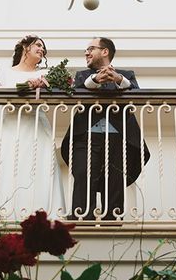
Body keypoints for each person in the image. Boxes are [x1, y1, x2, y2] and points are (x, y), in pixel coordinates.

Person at [61, 37, 150, 220]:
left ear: (105, 51)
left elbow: (137, 94)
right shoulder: (82, 75)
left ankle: (113, 220)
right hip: (85, 136)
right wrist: (94, 79)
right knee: (84, 175)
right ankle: (81, 219)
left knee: (116, 180)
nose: (86, 53)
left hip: (119, 137)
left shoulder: (127, 75)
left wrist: (118, 79)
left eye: (90, 49)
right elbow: (76, 91)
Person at [0, 35, 65, 219]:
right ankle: (2, 214)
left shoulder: (46, 75)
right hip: (9, 127)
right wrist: (24, 88)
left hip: (34, 127)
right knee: (6, 167)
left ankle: (37, 215)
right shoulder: (5, 71)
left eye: (43, 48)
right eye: (38, 45)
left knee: (37, 169)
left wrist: (42, 86)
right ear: (24, 47)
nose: (41, 49)